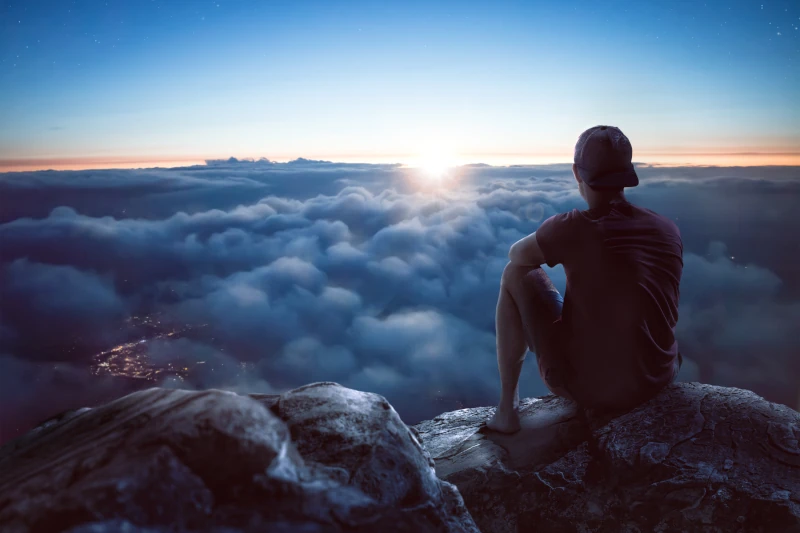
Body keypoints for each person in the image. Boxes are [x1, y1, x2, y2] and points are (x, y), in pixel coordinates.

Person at [487, 125, 684, 434]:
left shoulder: (572, 227)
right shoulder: (666, 228)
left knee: (513, 274)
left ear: (577, 173)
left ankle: (507, 411)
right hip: (659, 376)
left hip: (593, 390)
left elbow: (517, 256)